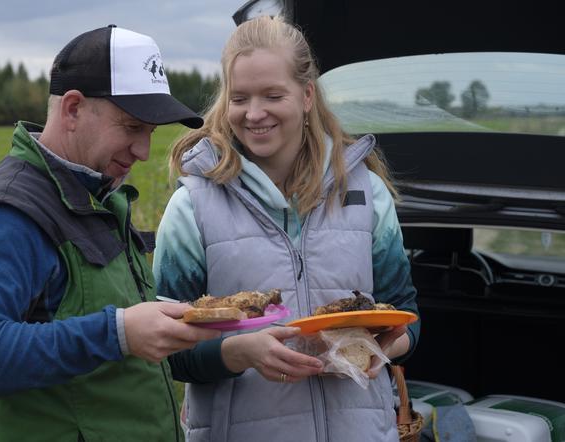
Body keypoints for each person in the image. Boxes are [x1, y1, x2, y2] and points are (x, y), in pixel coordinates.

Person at [0, 25, 221, 442]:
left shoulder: (96, 198)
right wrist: (117, 332)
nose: (143, 150)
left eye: (151, 133)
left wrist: (231, 351)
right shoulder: (9, 215)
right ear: (72, 109)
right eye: (131, 127)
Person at [153, 15, 421, 442]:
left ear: (307, 96)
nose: (254, 113)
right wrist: (237, 354)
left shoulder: (366, 192)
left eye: (272, 95)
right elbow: (167, 350)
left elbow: (407, 315)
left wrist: (381, 350)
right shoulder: (193, 205)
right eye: (240, 98)